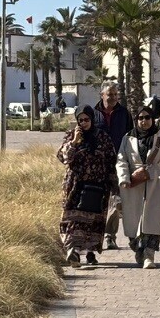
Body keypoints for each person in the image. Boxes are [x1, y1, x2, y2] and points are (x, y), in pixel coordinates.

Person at [117, 104, 160, 269]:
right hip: (134, 182)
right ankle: (137, 248)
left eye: (147, 117)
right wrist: (124, 178)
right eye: (140, 118)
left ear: (152, 119)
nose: (144, 121)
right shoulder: (128, 138)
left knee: (154, 220)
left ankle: (149, 255)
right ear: (136, 120)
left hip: (159, 181)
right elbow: (121, 160)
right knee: (132, 220)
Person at [56, 106, 118, 267]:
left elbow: (111, 160)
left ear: (92, 119)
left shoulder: (102, 137)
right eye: (80, 120)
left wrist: (114, 184)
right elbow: (63, 158)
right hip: (75, 186)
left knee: (93, 221)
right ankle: (73, 251)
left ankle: (90, 252)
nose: (84, 123)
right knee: (73, 220)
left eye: (87, 120)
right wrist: (74, 142)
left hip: (98, 186)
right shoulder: (71, 136)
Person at [93, 82, 134, 250]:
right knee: (98, 202)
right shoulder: (93, 113)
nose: (113, 97)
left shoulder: (124, 114)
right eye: (110, 94)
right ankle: (95, 237)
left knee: (116, 201)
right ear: (102, 95)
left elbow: (131, 137)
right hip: (98, 165)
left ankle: (110, 236)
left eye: (116, 94)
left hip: (119, 163)